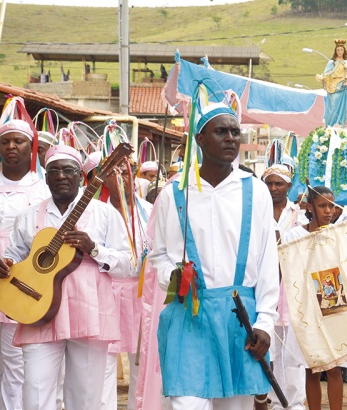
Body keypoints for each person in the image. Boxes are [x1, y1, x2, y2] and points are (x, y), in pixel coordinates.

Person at [151, 98, 279, 409]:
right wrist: (175, 276)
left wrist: (264, 323)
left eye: (236, 132)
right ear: (199, 139)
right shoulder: (174, 193)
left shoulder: (255, 190)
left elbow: (266, 262)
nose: (232, 138)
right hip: (189, 318)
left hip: (241, 320)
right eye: (221, 131)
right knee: (187, 403)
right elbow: (158, 256)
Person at [0, 144, 132, 410]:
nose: (60, 176)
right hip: (36, 310)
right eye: (53, 171)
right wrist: (3, 265)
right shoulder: (29, 215)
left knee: (87, 396)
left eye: (68, 170)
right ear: (45, 177)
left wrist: (94, 249)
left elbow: (128, 265)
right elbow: (13, 257)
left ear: (81, 175)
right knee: (34, 393)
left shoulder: (104, 213)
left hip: (88, 312)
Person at [0, 115, 49, 410]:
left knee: (15, 357)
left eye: (18, 141)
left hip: (20, 275)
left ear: (30, 148)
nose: (11, 146)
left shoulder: (42, 189)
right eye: (5, 141)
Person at [281, 186, 343, 410]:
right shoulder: (294, 236)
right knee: (313, 367)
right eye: (322, 206)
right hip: (306, 306)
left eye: (331, 206)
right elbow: (291, 271)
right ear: (309, 207)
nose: (328, 211)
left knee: (335, 366)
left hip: (332, 302)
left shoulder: (337, 235)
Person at [100, 156, 153, 410]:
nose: (122, 176)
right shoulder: (95, 211)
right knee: (103, 363)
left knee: (140, 363)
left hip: (141, 293)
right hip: (104, 291)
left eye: (128, 170)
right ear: (103, 176)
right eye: (115, 171)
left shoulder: (150, 211)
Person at [262, 158, 308, 410]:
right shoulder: (258, 212)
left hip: (292, 285)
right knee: (270, 343)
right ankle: (272, 396)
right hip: (267, 281)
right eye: (268, 183)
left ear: (288, 187)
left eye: (278, 184)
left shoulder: (298, 214)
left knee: (293, 345)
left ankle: (295, 400)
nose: (273, 189)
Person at [317, 39, 347, 127]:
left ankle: (341, 126)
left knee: (343, 110)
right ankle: (330, 126)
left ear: (344, 51)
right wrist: (323, 78)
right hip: (333, 89)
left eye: (341, 50)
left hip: (343, 88)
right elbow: (326, 74)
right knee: (332, 110)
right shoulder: (331, 63)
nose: (340, 52)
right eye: (338, 50)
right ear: (335, 51)